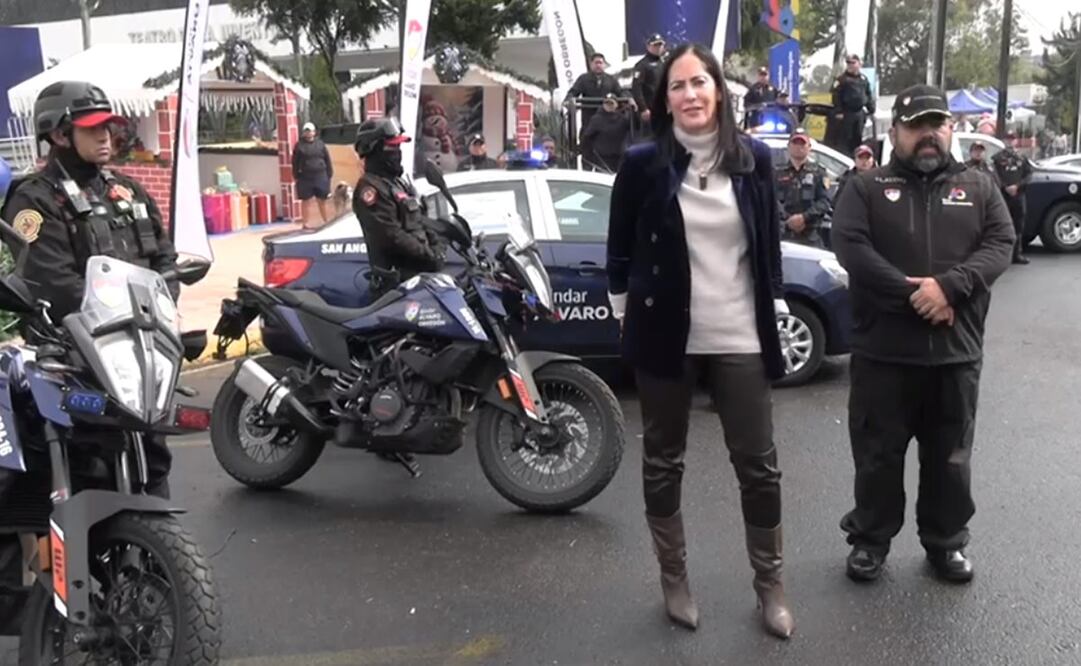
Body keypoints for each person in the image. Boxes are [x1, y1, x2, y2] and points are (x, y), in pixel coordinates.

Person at [607, 42, 794, 639]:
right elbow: (618, 249)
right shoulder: (642, 164)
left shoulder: (754, 159)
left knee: (758, 465)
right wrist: (623, 313)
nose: (689, 94)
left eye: (699, 82)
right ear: (665, 100)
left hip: (739, 329)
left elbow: (768, 243)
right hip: (666, 331)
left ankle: (770, 585)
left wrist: (777, 305)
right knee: (664, 460)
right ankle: (675, 579)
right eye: (677, 85)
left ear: (718, 90)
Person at [831, 84, 1015, 584]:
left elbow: (1001, 243)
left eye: (937, 124)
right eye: (916, 126)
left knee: (950, 461)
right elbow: (850, 247)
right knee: (877, 458)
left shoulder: (979, 186)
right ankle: (870, 540)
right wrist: (917, 295)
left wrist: (950, 288)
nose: (928, 134)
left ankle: (946, 543)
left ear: (951, 129)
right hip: (883, 357)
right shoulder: (866, 188)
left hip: (955, 355)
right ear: (895, 132)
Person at [351, 117, 445, 299]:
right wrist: (428, 254)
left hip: (419, 277)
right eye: (391, 147)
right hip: (395, 285)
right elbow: (391, 235)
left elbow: (421, 220)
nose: (397, 152)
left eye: (398, 147)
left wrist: (437, 244)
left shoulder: (398, 183)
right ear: (374, 149)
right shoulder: (370, 189)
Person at [775, 128, 831, 248]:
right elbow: (769, 200)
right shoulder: (776, 172)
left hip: (810, 234)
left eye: (802, 143)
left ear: (809, 147)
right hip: (782, 234)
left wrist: (804, 217)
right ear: (788, 146)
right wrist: (789, 220)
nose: (798, 147)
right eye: (795, 143)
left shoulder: (819, 173)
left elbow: (824, 202)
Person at [992, 132, 1034, 265]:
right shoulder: (997, 158)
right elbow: (994, 175)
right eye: (1007, 139)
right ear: (1004, 141)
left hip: (1018, 196)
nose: (1010, 142)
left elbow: (1029, 175)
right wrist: (1005, 187)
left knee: (1018, 225)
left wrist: (1017, 186)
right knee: (1001, 224)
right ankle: (1001, 255)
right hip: (1002, 196)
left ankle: (1017, 254)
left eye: (1012, 139)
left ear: (1016, 141)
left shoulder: (1022, 157)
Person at [829, 54, 875, 157]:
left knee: (858, 138)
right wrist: (839, 111)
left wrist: (871, 108)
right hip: (847, 113)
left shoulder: (863, 79)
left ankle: (858, 157)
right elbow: (836, 96)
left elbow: (868, 94)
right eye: (848, 63)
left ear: (859, 64)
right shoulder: (841, 79)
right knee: (846, 140)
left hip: (859, 113)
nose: (850, 65)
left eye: (853, 63)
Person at [567, 53, 623, 136]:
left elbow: (620, 92)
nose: (598, 65)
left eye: (600, 63)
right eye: (596, 63)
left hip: (607, 120)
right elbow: (573, 92)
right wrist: (568, 100)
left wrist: (629, 98)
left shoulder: (611, 79)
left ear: (604, 65)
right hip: (588, 120)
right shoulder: (583, 79)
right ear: (591, 64)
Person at [292, 121, 334, 229]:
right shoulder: (299, 146)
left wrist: (329, 173)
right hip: (305, 177)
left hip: (320, 176)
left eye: (310, 131)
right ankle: (305, 223)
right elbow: (295, 162)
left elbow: (327, 159)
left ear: (314, 132)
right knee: (306, 201)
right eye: (306, 131)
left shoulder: (320, 144)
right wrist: (296, 175)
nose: (308, 133)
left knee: (322, 200)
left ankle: (326, 221)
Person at [581, 93, 633, 172]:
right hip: (601, 158)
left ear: (616, 105)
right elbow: (587, 138)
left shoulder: (622, 119)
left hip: (618, 157)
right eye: (606, 103)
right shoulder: (596, 119)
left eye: (611, 103)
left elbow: (634, 127)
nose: (609, 105)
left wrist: (633, 108)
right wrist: (589, 157)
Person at [631, 34, 667, 136]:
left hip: (664, 108)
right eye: (655, 45)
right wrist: (643, 108)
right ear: (648, 46)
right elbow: (636, 88)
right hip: (650, 109)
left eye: (660, 45)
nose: (658, 48)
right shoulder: (642, 65)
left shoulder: (664, 63)